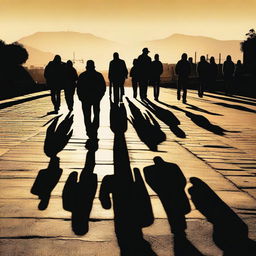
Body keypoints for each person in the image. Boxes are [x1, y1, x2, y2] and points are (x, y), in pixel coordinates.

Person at [143, 157, 190, 235]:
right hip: (175, 190)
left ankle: (175, 227)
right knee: (179, 209)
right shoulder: (172, 166)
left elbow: (150, 181)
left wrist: (158, 190)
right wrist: (180, 188)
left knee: (170, 210)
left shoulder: (149, 169)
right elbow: (181, 178)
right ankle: (181, 226)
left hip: (164, 193)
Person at [77, 60, 106, 140]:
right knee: (96, 114)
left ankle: (88, 129)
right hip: (96, 98)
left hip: (85, 98)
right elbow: (103, 87)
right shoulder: (98, 75)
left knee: (86, 115)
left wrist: (80, 97)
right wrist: (100, 96)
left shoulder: (82, 76)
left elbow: (79, 87)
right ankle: (94, 128)